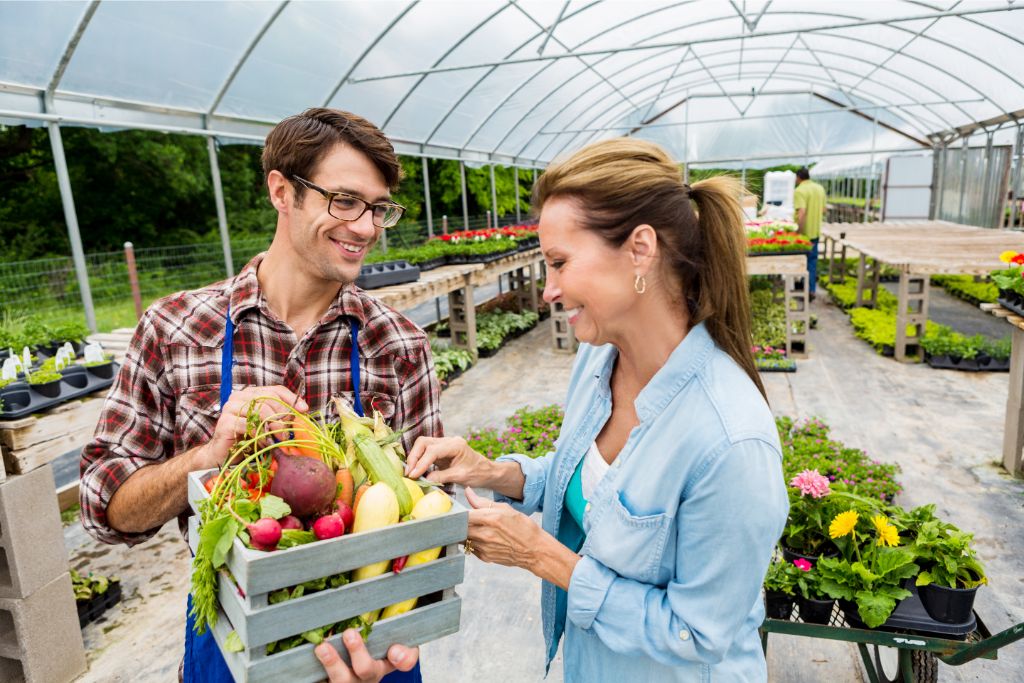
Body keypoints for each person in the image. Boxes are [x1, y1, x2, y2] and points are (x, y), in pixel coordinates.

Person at [406, 138, 789, 681]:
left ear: (640, 250)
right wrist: (491, 472)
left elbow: (698, 633)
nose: (548, 291)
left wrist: (542, 556)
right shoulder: (598, 360)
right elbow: (589, 484)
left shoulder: (730, 440)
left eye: (559, 263)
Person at [79, 108, 439, 683]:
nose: (366, 227)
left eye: (378, 208)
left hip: (369, 641)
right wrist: (206, 457)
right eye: (345, 201)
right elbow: (106, 511)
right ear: (281, 192)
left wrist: (395, 638)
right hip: (232, 636)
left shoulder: (398, 344)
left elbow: (430, 525)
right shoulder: (176, 330)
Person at [793, 167, 826, 300]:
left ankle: (803, 290)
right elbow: (823, 210)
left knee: (801, 262)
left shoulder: (800, 190)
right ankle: (811, 290)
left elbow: (801, 212)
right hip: (815, 231)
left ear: (798, 177)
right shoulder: (820, 189)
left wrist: (798, 232)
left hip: (805, 233)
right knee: (812, 262)